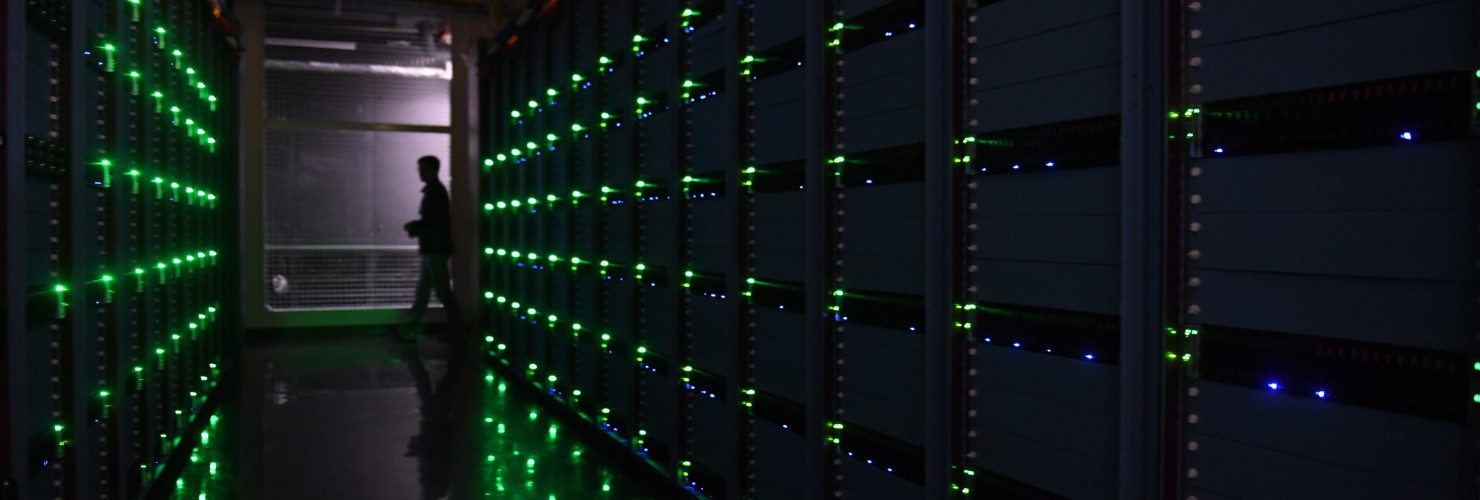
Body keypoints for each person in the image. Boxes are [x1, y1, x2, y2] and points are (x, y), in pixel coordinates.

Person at [402, 155, 465, 339]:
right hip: (434, 249)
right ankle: (413, 327)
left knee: (440, 291)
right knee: (426, 291)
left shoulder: (434, 192)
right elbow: (435, 222)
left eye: (423, 169)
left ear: (433, 170)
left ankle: (456, 330)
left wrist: (414, 226)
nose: (420, 173)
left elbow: (432, 222)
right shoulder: (436, 191)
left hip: (434, 249)